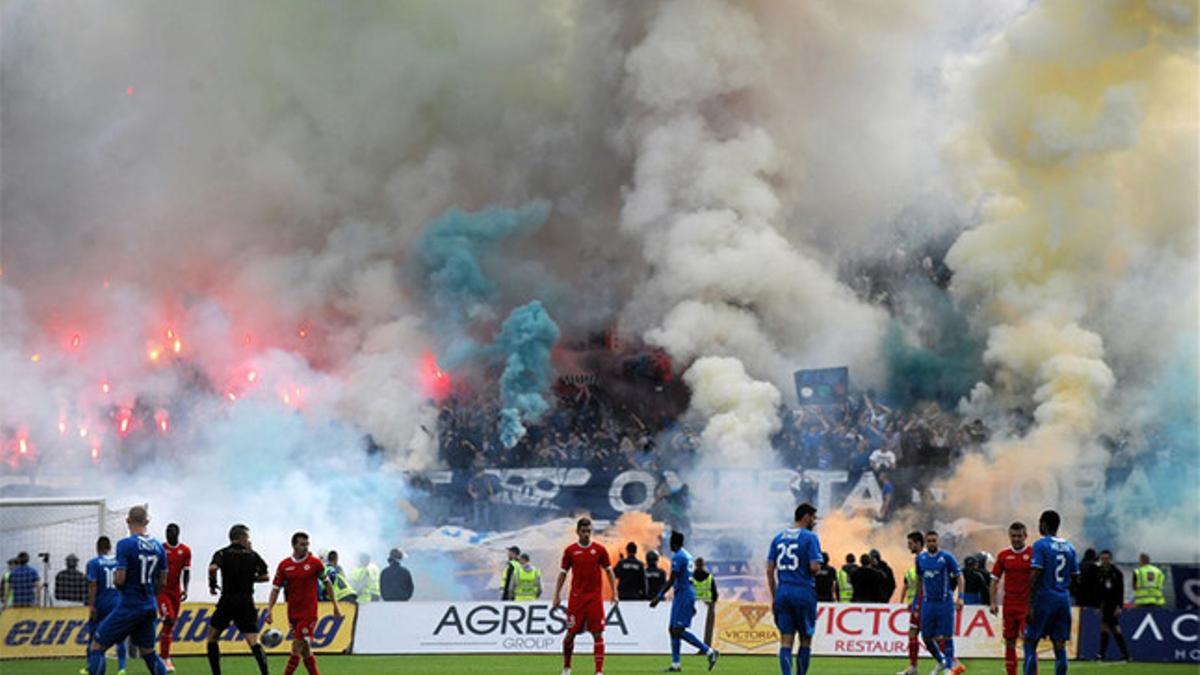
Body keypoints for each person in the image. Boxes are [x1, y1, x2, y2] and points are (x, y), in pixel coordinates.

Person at [85, 505, 169, 675]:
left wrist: (118, 583)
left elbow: (120, 579)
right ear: (147, 521)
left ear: (128, 521)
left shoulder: (125, 544)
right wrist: (151, 593)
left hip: (129, 605)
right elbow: (163, 581)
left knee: (97, 646)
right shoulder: (159, 547)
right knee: (148, 652)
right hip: (149, 605)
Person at [266, 531, 342, 675]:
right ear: (294, 545)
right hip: (293, 612)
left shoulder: (315, 563)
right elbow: (275, 589)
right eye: (302, 544)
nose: (306, 548)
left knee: (296, 647)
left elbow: (328, 584)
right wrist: (269, 610)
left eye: (307, 544)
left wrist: (335, 606)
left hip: (308, 613)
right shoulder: (284, 565)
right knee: (305, 649)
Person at [552, 517, 618, 675]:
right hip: (577, 599)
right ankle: (567, 668)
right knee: (570, 635)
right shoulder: (570, 551)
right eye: (583, 531)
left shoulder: (600, 550)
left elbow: (609, 571)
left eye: (589, 531)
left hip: (595, 599)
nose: (587, 534)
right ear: (577, 532)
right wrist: (557, 594)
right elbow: (562, 574)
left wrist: (614, 592)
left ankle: (598, 672)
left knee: (598, 634)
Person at [206, 523, 270, 675]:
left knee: (212, 638)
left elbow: (212, 568)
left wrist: (212, 584)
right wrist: (250, 579)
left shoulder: (222, 553)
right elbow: (265, 576)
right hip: (245, 601)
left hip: (227, 600)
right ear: (241, 537)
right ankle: (265, 673)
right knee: (253, 641)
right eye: (247, 537)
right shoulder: (252, 555)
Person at [766, 502, 822, 675]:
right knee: (805, 639)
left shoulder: (778, 537)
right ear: (805, 517)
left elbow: (769, 570)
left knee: (786, 640)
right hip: (803, 591)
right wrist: (817, 567)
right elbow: (814, 567)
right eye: (813, 518)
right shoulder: (810, 537)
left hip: (783, 592)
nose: (814, 522)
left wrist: (775, 595)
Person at [650, 531, 718, 672]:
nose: (669, 546)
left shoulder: (678, 557)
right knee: (673, 629)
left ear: (674, 544)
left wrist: (659, 596)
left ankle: (709, 651)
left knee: (677, 629)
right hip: (684, 594)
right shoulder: (688, 555)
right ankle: (676, 664)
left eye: (670, 543)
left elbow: (672, 579)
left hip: (684, 595)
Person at [1024, 509, 1079, 675]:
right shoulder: (1070, 547)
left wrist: (1030, 605)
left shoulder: (1041, 545)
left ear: (1044, 525)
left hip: (1044, 599)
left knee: (1030, 641)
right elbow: (1076, 577)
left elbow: (1035, 575)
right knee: (1060, 645)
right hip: (1063, 600)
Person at [916, 530, 966, 675]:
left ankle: (949, 669)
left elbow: (960, 577)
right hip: (928, 603)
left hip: (945, 603)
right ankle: (941, 661)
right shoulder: (921, 558)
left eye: (934, 540)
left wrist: (960, 597)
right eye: (929, 541)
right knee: (926, 637)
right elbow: (920, 579)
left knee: (947, 636)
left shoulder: (947, 557)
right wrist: (916, 601)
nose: (932, 543)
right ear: (926, 542)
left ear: (938, 541)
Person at [990, 522, 1033, 675]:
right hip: (1009, 605)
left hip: (1027, 605)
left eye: (1019, 536)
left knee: (1029, 642)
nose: (1016, 539)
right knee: (1009, 641)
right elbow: (994, 579)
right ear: (1009, 536)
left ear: (1025, 536)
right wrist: (993, 602)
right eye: (1013, 536)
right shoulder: (1003, 555)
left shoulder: (1033, 554)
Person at [83, 537, 127, 675]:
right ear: (109, 547)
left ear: (97, 548)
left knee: (95, 639)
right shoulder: (119, 562)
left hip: (101, 605)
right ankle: (121, 668)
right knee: (119, 637)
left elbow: (93, 584)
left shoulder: (93, 563)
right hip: (118, 604)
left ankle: (92, 667)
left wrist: (91, 605)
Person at [157, 523, 191, 672]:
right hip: (162, 591)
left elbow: (186, 571)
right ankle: (164, 658)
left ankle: (164, 656)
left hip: (175, 592)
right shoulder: (160, 549)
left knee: (170, 625)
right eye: (167, 531)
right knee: (169, 619)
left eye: (171, 532)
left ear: (177, 533)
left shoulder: (185, 551)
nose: (168, 534)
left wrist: (186, 589)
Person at [897, 530, 926, 675]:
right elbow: (920, 583)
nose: (908, 547)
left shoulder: (925, 558)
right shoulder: (919, 558)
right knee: (913, 632)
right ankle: (913, 667)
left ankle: (950, 662)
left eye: (910, 544)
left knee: (932, 636)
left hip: (928, 602)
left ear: (918, 543)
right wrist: (915, 601)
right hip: (921, 601)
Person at [1095, 550, 1131, 662]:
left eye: (1106, 559)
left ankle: (1123, 654)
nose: (1104, 561)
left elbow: (1120, 591)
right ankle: (1103, 654)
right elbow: (1099, 590)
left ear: (1110, 559)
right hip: (1105, 604)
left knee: (1114, 628)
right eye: (1102, 559)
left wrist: (1119, 606)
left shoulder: (1116, 573)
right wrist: (1098, 605)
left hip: (1113, 604)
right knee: (1106, 627)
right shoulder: (1099, 572)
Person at [693, 557, 719, 647]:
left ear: (695, 565)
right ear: (703, 565)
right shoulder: (709, 577)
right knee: (708, 629)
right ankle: (706, 647)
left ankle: (694, 646)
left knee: (694, 628)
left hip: (694, 605)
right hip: (708, 605)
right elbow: (715, 594)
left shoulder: (691, 576)